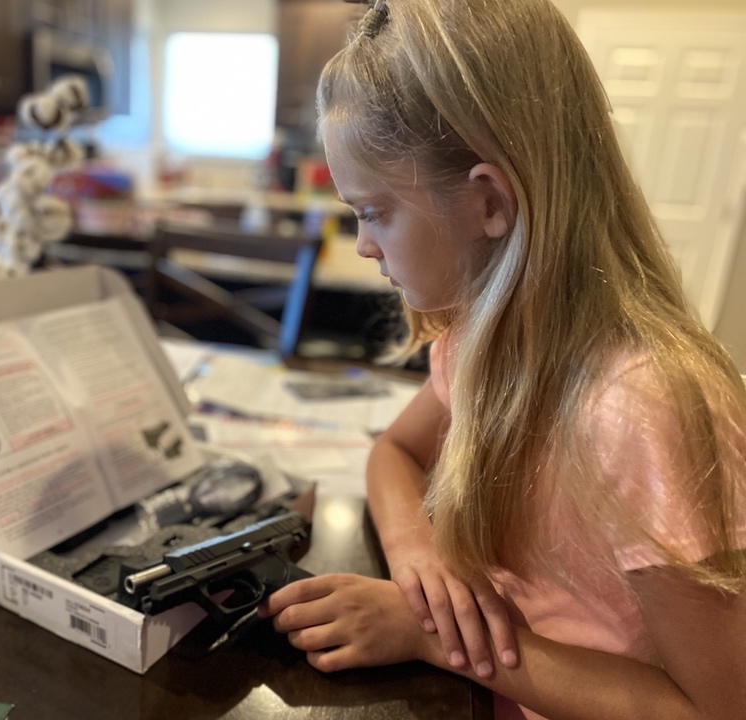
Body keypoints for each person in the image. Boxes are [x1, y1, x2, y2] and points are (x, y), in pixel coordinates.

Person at [257, 1, 746, 718]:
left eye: (372, 213)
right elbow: (393, 450)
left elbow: (715, 708)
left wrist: (433, 636)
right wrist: (418, 557)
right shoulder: (481, 346)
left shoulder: (637, 409)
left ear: (489, 203)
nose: (364, 246)